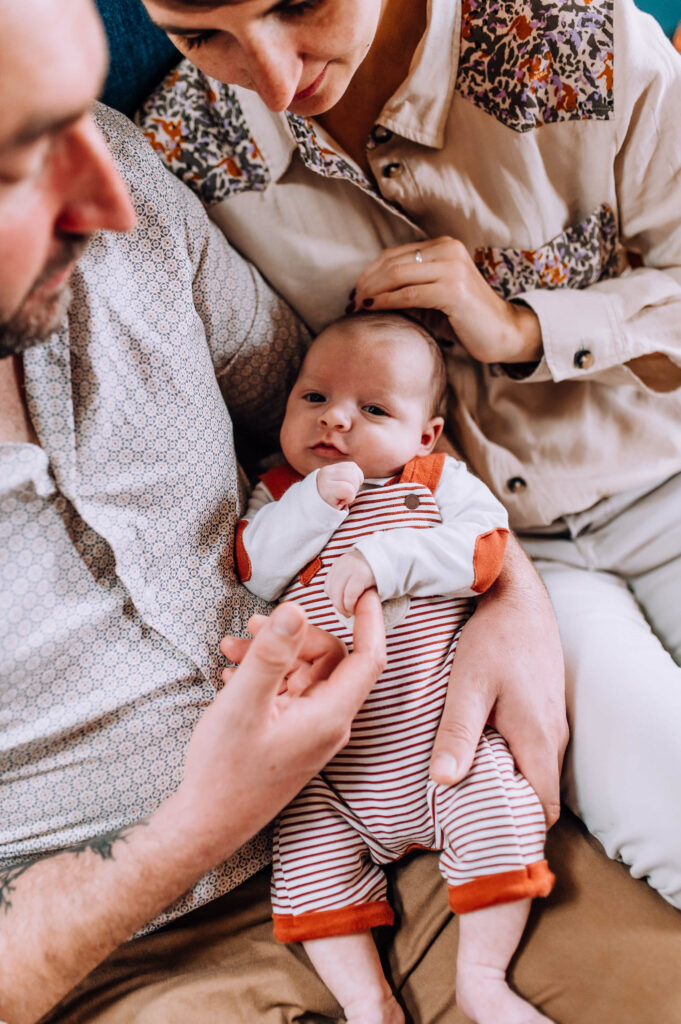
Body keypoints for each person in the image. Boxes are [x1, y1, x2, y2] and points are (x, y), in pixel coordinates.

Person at [137, 0, 681, 909]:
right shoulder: (178, 155)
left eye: (297, 4)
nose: (273, 81)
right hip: (489, 565)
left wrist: (520, 327)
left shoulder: (574, 36)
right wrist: (500, 589)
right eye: (202, 36)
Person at [0, 2, 389, 1020]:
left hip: (393, 783)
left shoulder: (117, 173)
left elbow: (326, 421)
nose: (111, 196)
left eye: (80, 109)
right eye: (18, 162)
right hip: (119, 951)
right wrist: (187, 833)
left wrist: (512, 587)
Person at [237, 311, 555, 1024]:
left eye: (373, 408)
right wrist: (315, 503)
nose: (336, 421)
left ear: (424, 434)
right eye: (314, 398)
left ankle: (481, 977)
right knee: (305, 865)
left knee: (503, 809)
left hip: (443, 745)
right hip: (334, 777)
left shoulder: (435, 482)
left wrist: (387, 557)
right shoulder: (281, 493)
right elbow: (255, 570)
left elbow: (485, 549)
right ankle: (367, 1003)